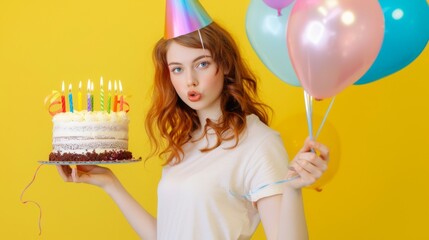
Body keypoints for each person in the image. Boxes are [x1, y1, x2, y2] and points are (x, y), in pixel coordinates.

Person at [57, 1, 329, 239]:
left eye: (201, 64)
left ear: (223, 64)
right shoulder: (186, 141)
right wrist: (110, 184)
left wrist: (292, 190)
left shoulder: (258, 143)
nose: (190, 81)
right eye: (177, 69)